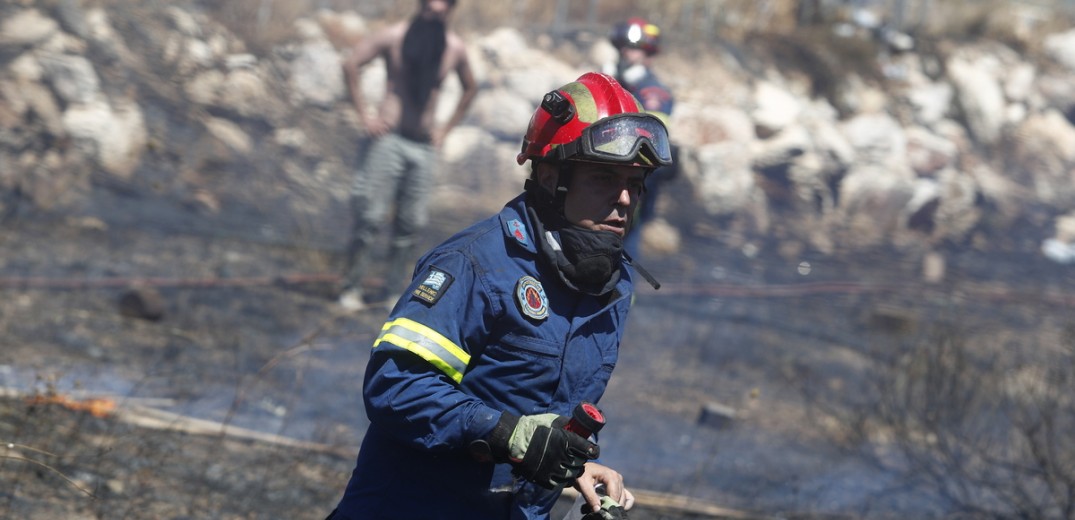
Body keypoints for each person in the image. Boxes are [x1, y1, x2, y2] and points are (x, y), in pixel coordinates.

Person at [325, 72, 672, 519]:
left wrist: (574, 467)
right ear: (550, 177)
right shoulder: (474, 264)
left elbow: (543, 415)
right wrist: (508, 435)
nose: (625, 199)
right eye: (604, 178)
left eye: (635, 182)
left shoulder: (611, 286)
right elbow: (395, 385)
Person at [339, 0, 478, 311]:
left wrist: (445, 129)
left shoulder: (454, 48)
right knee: (369, 217)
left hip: (423, 147)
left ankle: (392, 291)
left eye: (444, 4)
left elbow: (471, 87)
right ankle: (350, 286)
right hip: (388, 139)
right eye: (431, 3)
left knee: (410, 223)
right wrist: (365, 115)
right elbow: (351, 64)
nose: (437, 8)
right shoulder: (394, 36)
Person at [605, 17, 678, 261]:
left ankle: (623, 295)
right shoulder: (614, 84)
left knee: (624, 244)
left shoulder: (652, 92)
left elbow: (652, 137)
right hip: (608, 174)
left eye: (634, 49)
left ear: (648, 55)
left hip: (637, 180)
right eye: (622, 47)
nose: (626, 53)